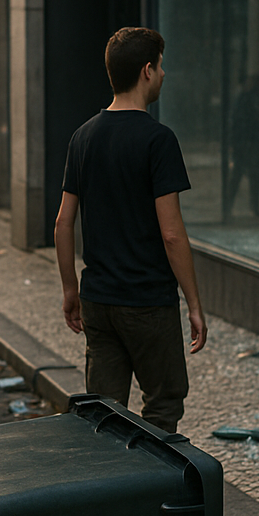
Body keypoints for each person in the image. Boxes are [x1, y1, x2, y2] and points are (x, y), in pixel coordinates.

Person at [54, 27, 206, 435]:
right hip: (148, 302)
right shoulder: (158, 140)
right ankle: (155, 492)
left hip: (99, 299)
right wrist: (193, 302)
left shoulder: (82, 137)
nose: (163, 74)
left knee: (103, 414)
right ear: (146, 71)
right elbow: (172, 234)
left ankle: (110, 491)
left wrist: (71, 290)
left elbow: (63, 222)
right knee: (163, 403)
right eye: (160, 66)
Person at [224, 72, 259, 220]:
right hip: (247, 142)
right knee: (242, 175)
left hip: (249, 142)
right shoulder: (248, 98)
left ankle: (244, 206)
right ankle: (233, 206)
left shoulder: (250, 98)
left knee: (247, 176)